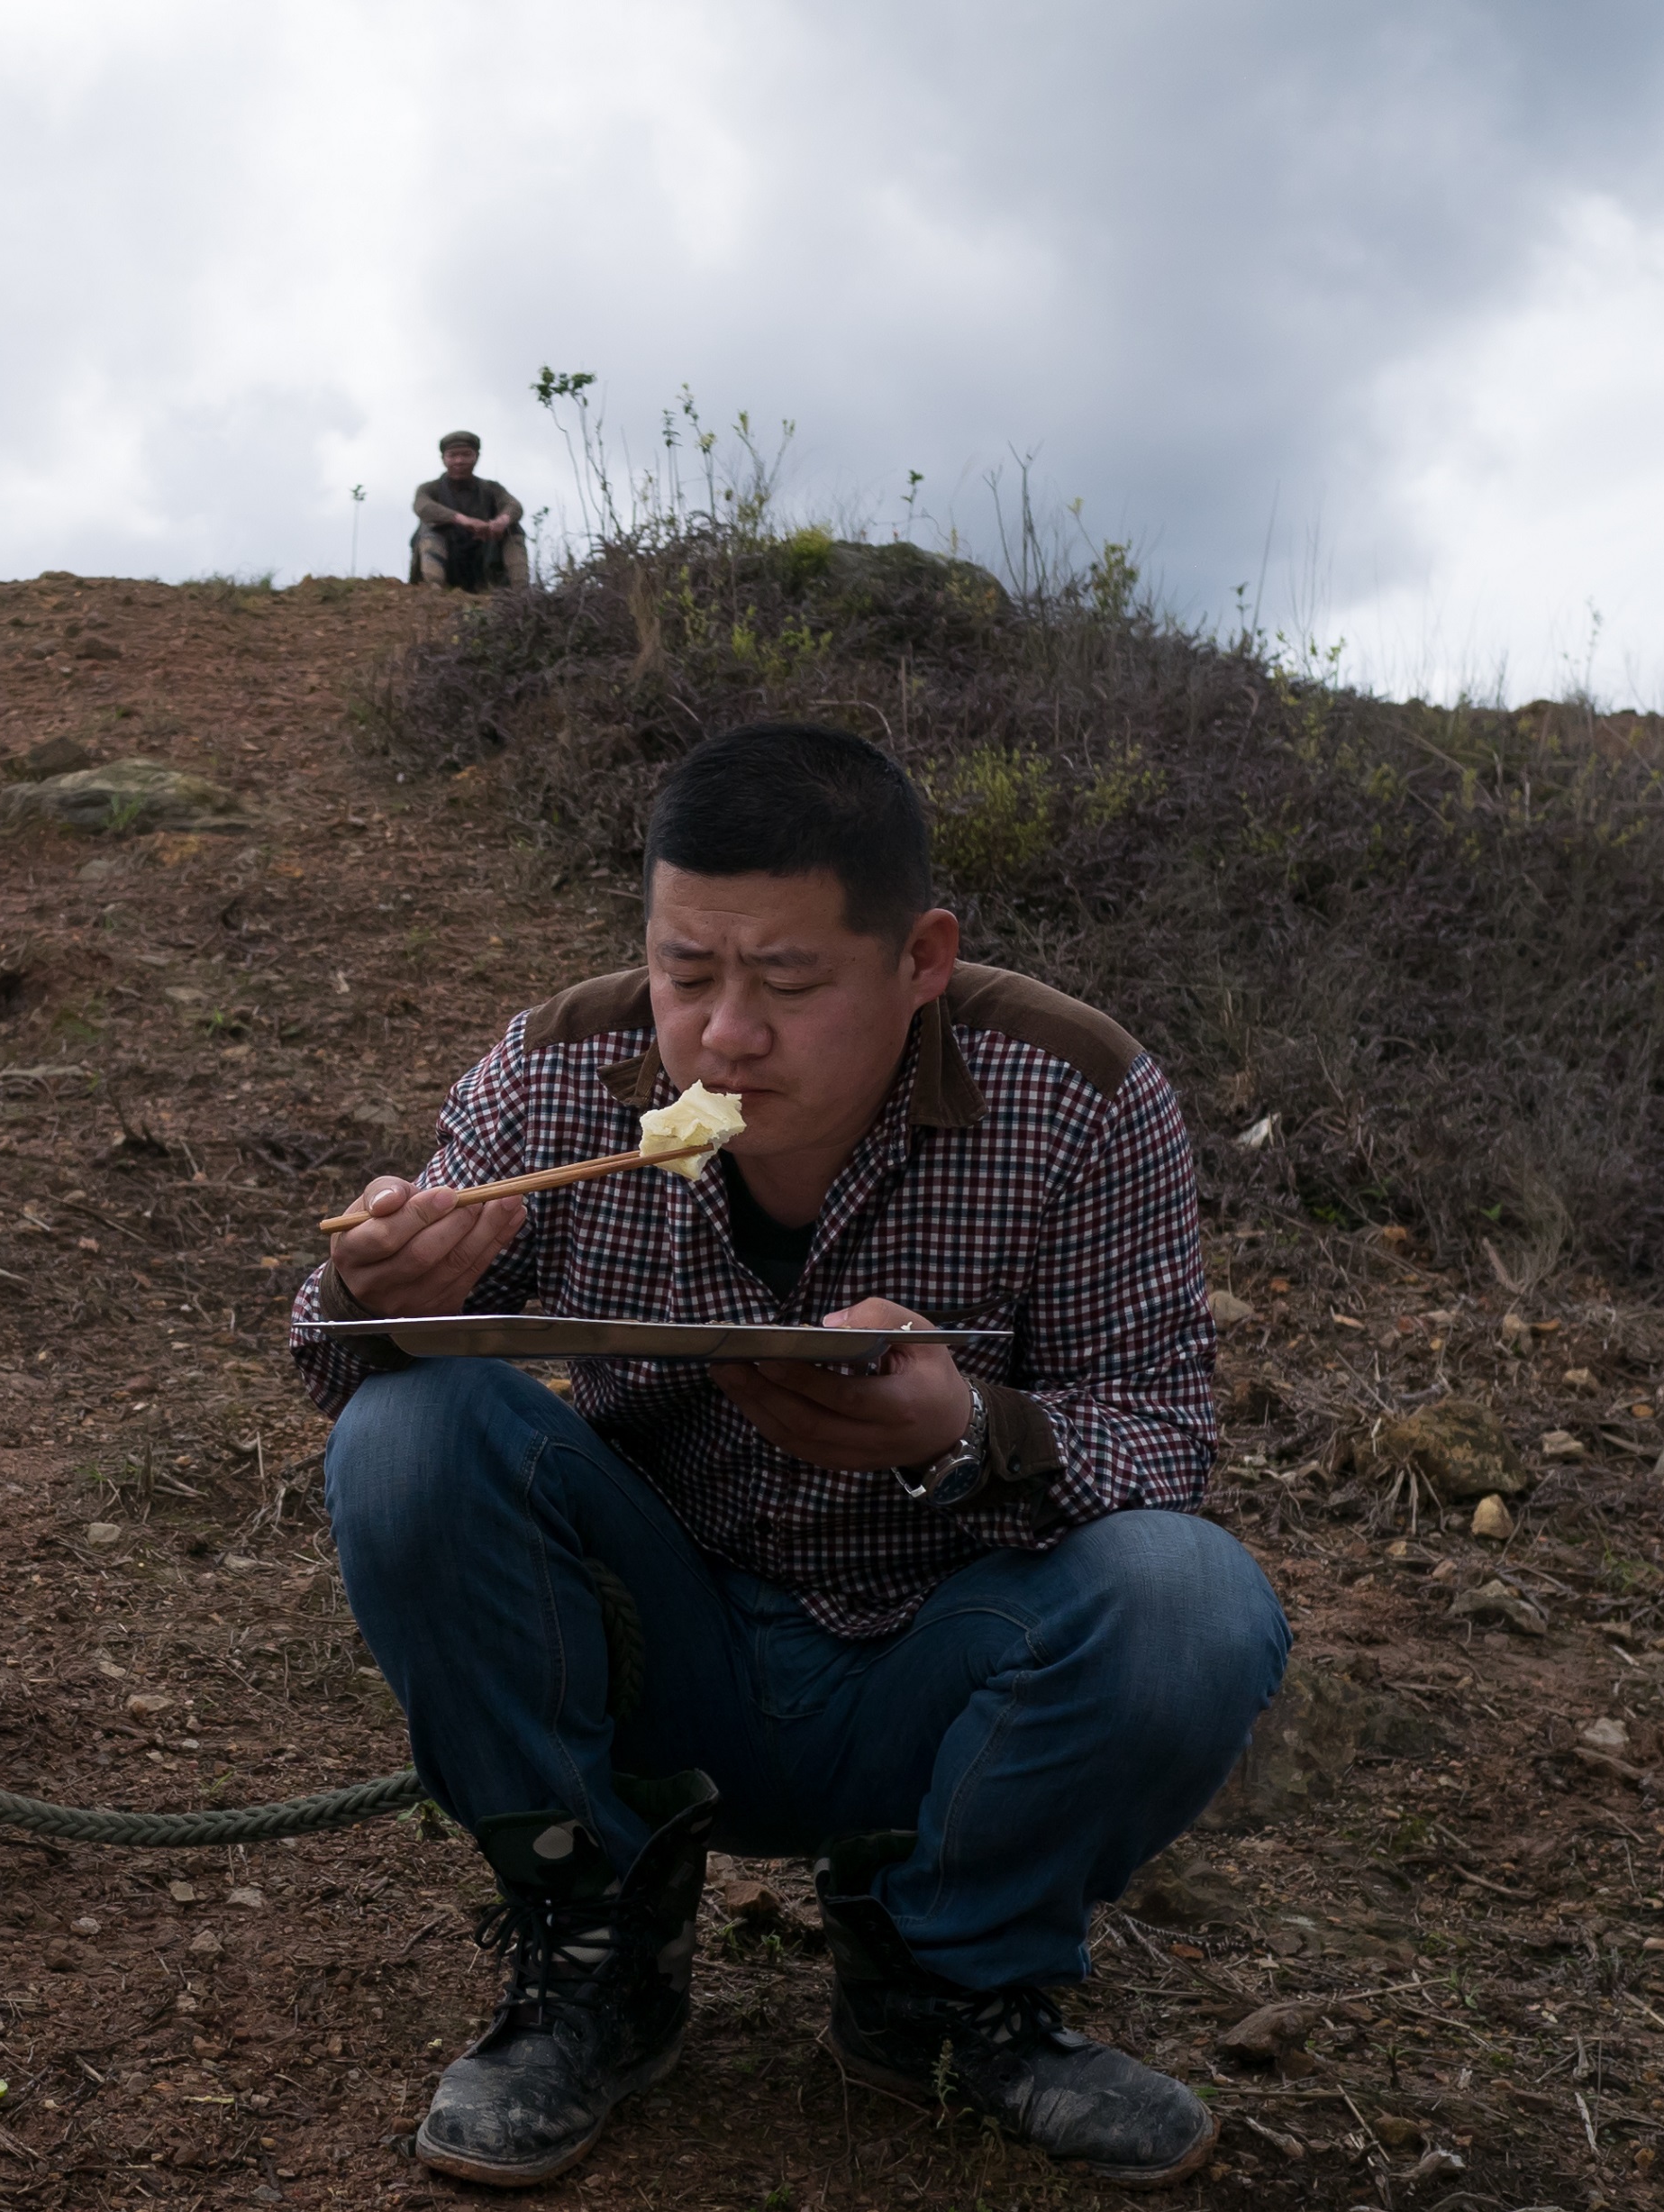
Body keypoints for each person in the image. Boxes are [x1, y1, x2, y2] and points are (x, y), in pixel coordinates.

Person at [291, 723, 1282, 2190]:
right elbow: (330, 1367)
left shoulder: (1073, 1095)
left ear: (921, 958)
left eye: (788, 981)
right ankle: (595, 1941)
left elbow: (1162, 1439)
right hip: (657, 1648)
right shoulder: (560, 1071)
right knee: (405, 1432)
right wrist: (372, 1291)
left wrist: (964, 1431)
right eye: (684, 970)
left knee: (1189, 1599)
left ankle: (943, 1982)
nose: (722, 1036)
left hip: (937, 1672)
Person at [411, 432, 529, 589]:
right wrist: (464, 521)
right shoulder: (430, 488)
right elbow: (423, 506)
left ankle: (521, 591)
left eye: (466, 455)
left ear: (476, 457)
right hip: (450, 563)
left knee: (512, 527)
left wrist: (500, 522)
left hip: (483, 563)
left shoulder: (491, 489)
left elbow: (514, 506)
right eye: (453, 455)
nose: (459, 461)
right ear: (443, 459)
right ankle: (433, 587)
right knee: (430, 526)